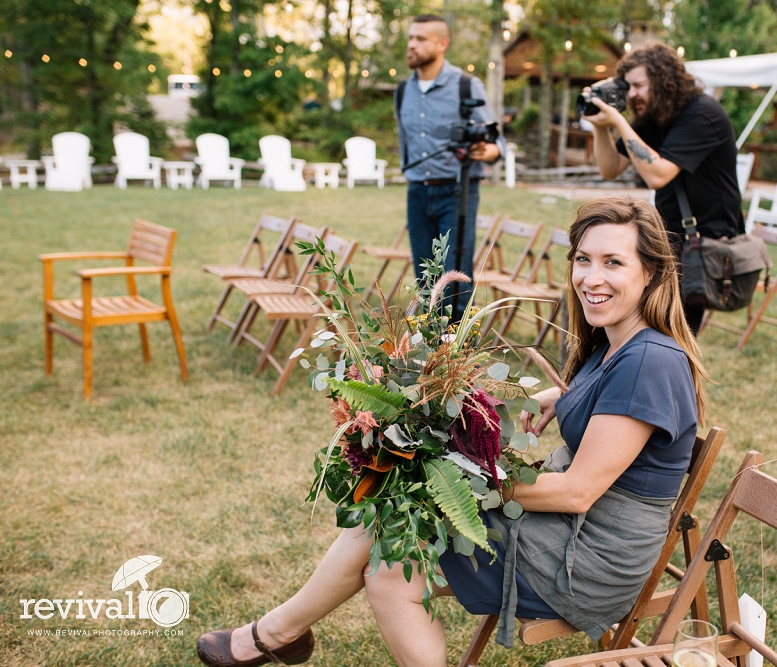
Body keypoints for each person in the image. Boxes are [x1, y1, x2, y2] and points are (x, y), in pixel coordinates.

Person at [195, 196, 708, 667]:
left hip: (591, 559)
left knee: (392, 566)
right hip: (575, 532)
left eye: (613, 262)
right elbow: (616, 412)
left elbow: (576, 492)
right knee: (393, 510)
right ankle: (274, 634)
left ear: (652, 273)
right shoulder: (616, 345)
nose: (591, 277)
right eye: (583, 259)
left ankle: (271, 636)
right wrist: (561, 396)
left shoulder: (648, 361)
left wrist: (453, 479)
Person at [585, 42, 743, 334]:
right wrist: (599, 125)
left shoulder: (701, 113)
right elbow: (610, 169)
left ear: (663, 81)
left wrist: (618, 121)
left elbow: (658, 174)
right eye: (627, 87)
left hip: (702, 243)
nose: (632, 95)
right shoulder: (653, 118)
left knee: (671, 336)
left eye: (638, 85)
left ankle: (671, 380)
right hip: (667, 238)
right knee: (640, 325)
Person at [396, 14, 505, 320]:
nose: (412, 45)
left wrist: (487, 151)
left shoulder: (467, 86)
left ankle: (457, 353)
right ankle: (429, 346)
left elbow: (498, 142)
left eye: (420, 39)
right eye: (410, 38)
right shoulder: (403, 91)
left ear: (442, 44)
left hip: (457, 191)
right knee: (424, 275)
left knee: (455, 274)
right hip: (416, 192)